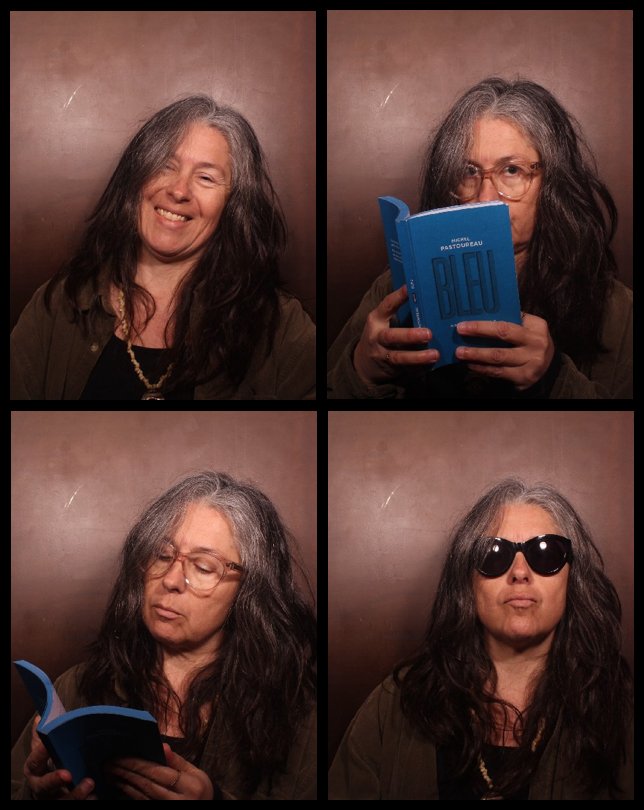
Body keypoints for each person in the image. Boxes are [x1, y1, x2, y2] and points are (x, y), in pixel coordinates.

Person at [11, 471, 317, 799]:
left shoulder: (294, 710)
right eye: (162, 554)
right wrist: (35, 791)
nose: (170, 579)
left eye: (202, 567)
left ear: (249, 590)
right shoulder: (76, 688)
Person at [327, 77, 632, 399]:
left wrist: (552, 378)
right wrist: (361, 370)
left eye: (512, 170)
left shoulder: (614, 310)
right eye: (469, 171)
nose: (485, 198)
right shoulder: (395, 289)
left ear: (553, 184)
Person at [328, 478, 633, 799]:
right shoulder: (394, 705)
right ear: (467, 582)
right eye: (494, 553)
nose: (519, 572)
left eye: (546, 552)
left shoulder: (617, 714)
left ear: (573, 579)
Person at [11, 96, 316, 400]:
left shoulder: (280, 327)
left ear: (233, 205)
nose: (179, 190)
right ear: (136, 179)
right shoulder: (59, 304)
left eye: (206, 178)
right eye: (165, 166)